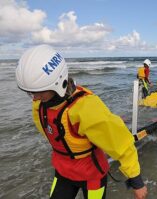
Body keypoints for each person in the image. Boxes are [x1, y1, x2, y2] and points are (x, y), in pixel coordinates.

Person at [15, 45, 147, 199]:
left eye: (39, 93)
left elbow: (119, 142)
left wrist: (136, 181)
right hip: (63, 171)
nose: (35, 98)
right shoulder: (39, 105)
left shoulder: (85, 107)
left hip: (91, 175)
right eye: (30, 93)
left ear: (57, 83)